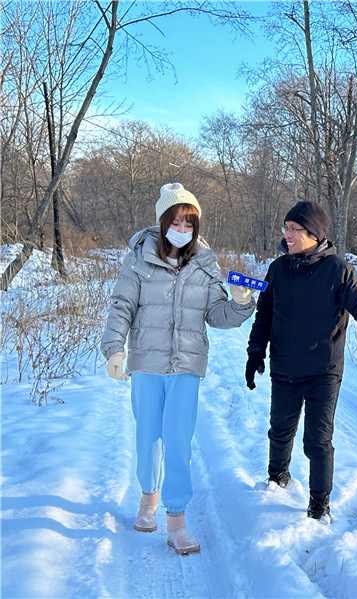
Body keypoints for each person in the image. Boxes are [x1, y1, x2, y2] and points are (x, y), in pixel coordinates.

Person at [101, 183, 255, 555]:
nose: (183, 228)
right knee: (148, 436)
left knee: (179, 440)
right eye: (177, 220)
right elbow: (122, 305)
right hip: (147, 363)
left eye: (190, 222)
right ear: (163, 220)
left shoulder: (205, 263)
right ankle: (147, 499)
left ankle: (177, 519)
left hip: (186, 365)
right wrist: (114, 350)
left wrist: (241, 302)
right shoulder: (138, 258)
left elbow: (218, 315)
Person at [245, 200, 357, 523]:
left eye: (295, 229)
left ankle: (319, 504)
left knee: (317, 439)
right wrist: (255, 352)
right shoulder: (278, 270)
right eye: (286, 228)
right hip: (284, 367)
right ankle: (276, 480)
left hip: (323, 371)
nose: (288, 234)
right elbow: (264, 314)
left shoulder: (338, 271)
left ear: (314, 234)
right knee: (279, 431)